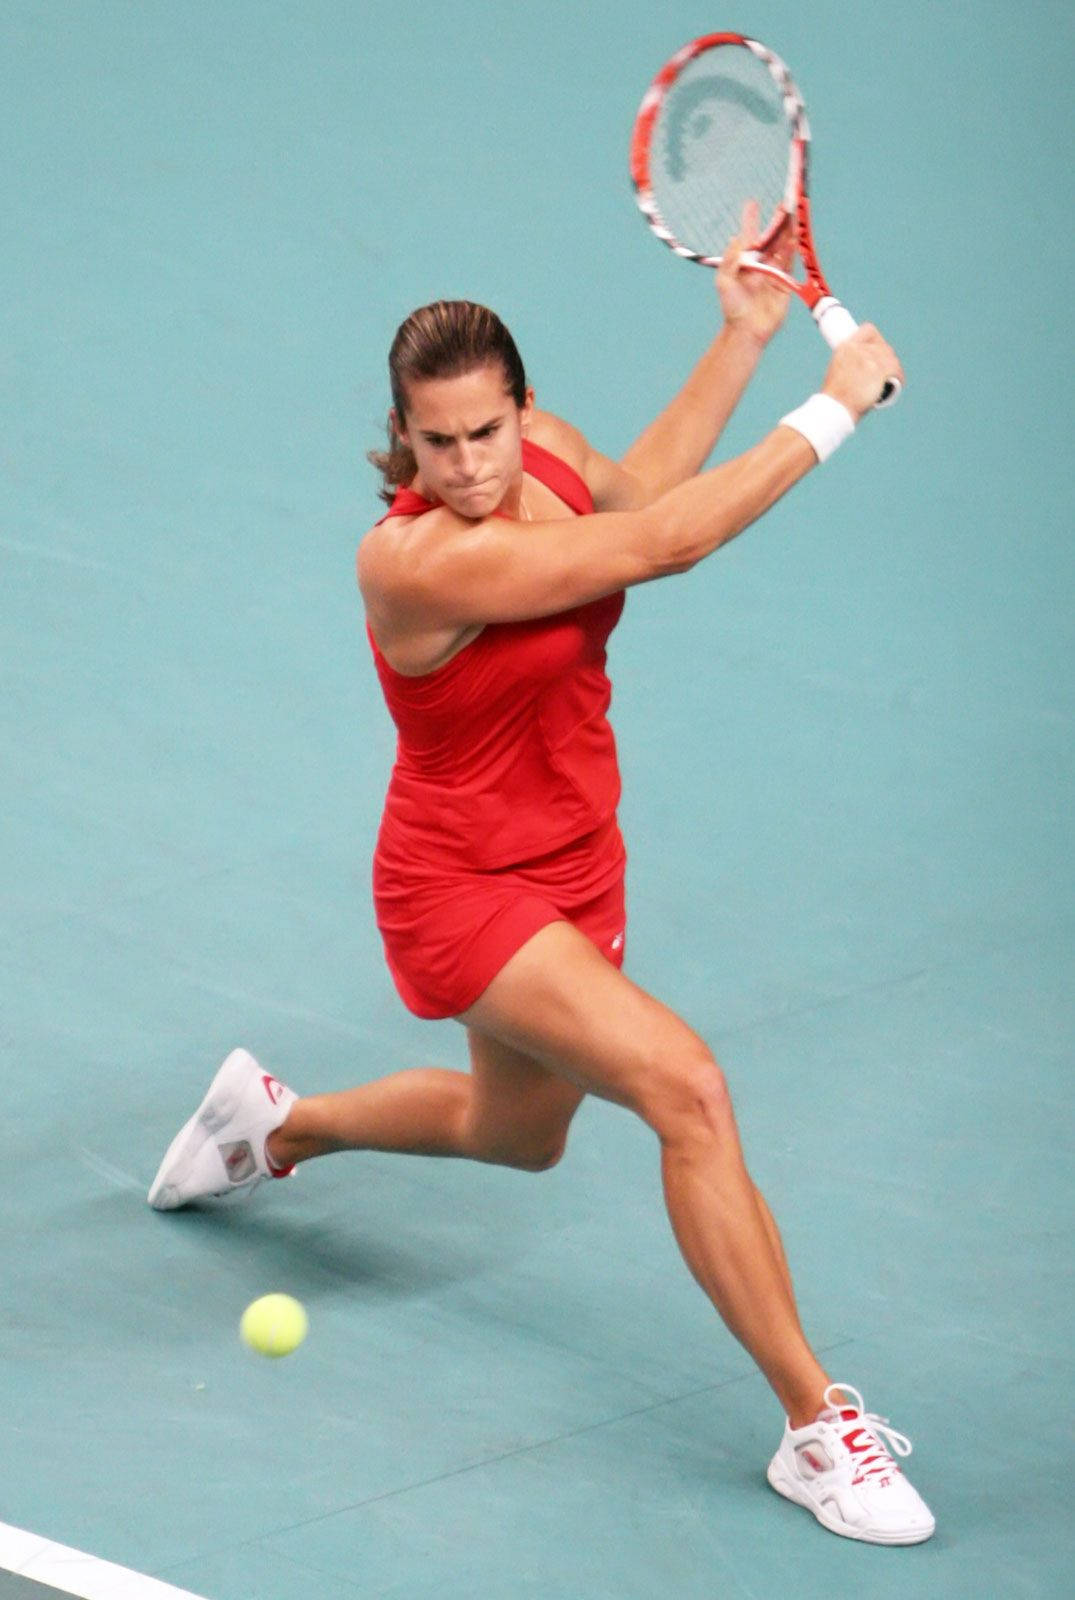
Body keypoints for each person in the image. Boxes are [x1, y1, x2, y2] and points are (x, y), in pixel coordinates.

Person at [148, 208, 933, 1546]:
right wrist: (833, 406)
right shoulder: (412, 560)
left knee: (520, 1137)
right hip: (460, 887)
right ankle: (817, 1426)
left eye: (486, 431)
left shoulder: (548, 454)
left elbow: (643, 489)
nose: (462, 463)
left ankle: (272, 1127)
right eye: (433, 440)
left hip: (578, 855)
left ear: (522, 407)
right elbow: (663, 546)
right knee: (687, 1088)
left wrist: (741, 340)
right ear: (403, 434)